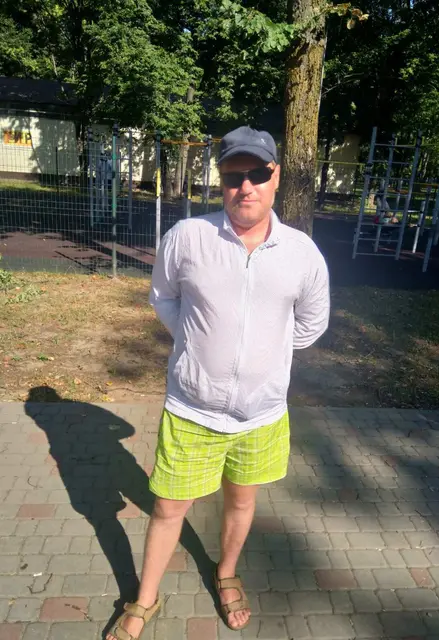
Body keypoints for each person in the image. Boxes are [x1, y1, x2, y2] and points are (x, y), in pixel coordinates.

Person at [107, 126, 330, 639]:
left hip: (261, 413)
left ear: (276, 177)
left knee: (242, 501)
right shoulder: (188, 237)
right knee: (168, 508)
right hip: (193, 408)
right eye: (233, 176)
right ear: (220, 180)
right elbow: (164, 298)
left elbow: (310, 325)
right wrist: (198, 345)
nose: (245, 186)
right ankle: (144, 599)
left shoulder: (302, 253)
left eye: (257, 174)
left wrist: (263, 356)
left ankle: (226, 574)